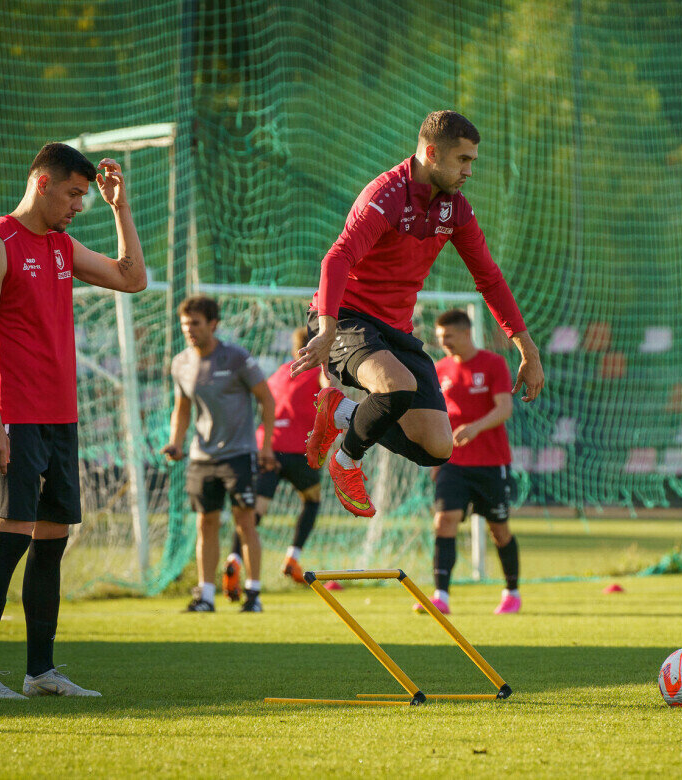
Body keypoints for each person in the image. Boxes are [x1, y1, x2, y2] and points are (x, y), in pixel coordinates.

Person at [0, 143, 146, 699]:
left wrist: (119, 208)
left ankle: (40, 672)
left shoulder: (63, 245)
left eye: (85, 195)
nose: (78, 205)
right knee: (10, 540)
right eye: (73, 193)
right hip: (15, 416)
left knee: (51, 544)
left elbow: (132, 278)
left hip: (62, 418)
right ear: (42, 183)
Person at [291, 110, 544, 518]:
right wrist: (325, 329)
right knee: (397, 385)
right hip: (346, 318)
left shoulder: (456, 211)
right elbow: (337, 258)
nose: (469, 171)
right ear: (431, 153)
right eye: (463, 160)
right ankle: (346, 461)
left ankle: (339, 411)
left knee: (437, 448)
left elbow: (490, 280)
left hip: (395, 331)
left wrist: (527, 350)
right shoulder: (386, 195)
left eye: (472, 161)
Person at [162, 296, 275, 613]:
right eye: (185, 324)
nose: (189, 330)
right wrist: (176, 442)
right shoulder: (180, 363)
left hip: (239, 454)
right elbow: (181, 409)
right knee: (205, 523)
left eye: (195, 323)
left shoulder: (236, 358)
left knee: (245, 522)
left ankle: (253, 594)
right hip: (201, 457)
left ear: (213, 324)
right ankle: (206, 596)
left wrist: (265, 446)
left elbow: (267, 400)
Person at [415, 309, 520, 616]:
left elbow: (504, 409)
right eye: (439, 337)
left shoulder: (493, 363)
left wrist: (474, 427)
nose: (443, 342)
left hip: (491, 462)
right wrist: (434, 456)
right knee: (444, 521)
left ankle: (512, 593)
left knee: (499, 530)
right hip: (453, 463)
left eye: (448, 336)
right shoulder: (440, 369)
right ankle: (441, 597)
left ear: (465, 333)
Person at [223, 327, 330, 599]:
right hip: (298, 450)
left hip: (266, 448)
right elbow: (331, 394)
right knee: (312, 500)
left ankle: (234, 559)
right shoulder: (321, 371)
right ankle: (292, 558)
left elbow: (263, 404)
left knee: (254, 512)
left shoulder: (280, 372)